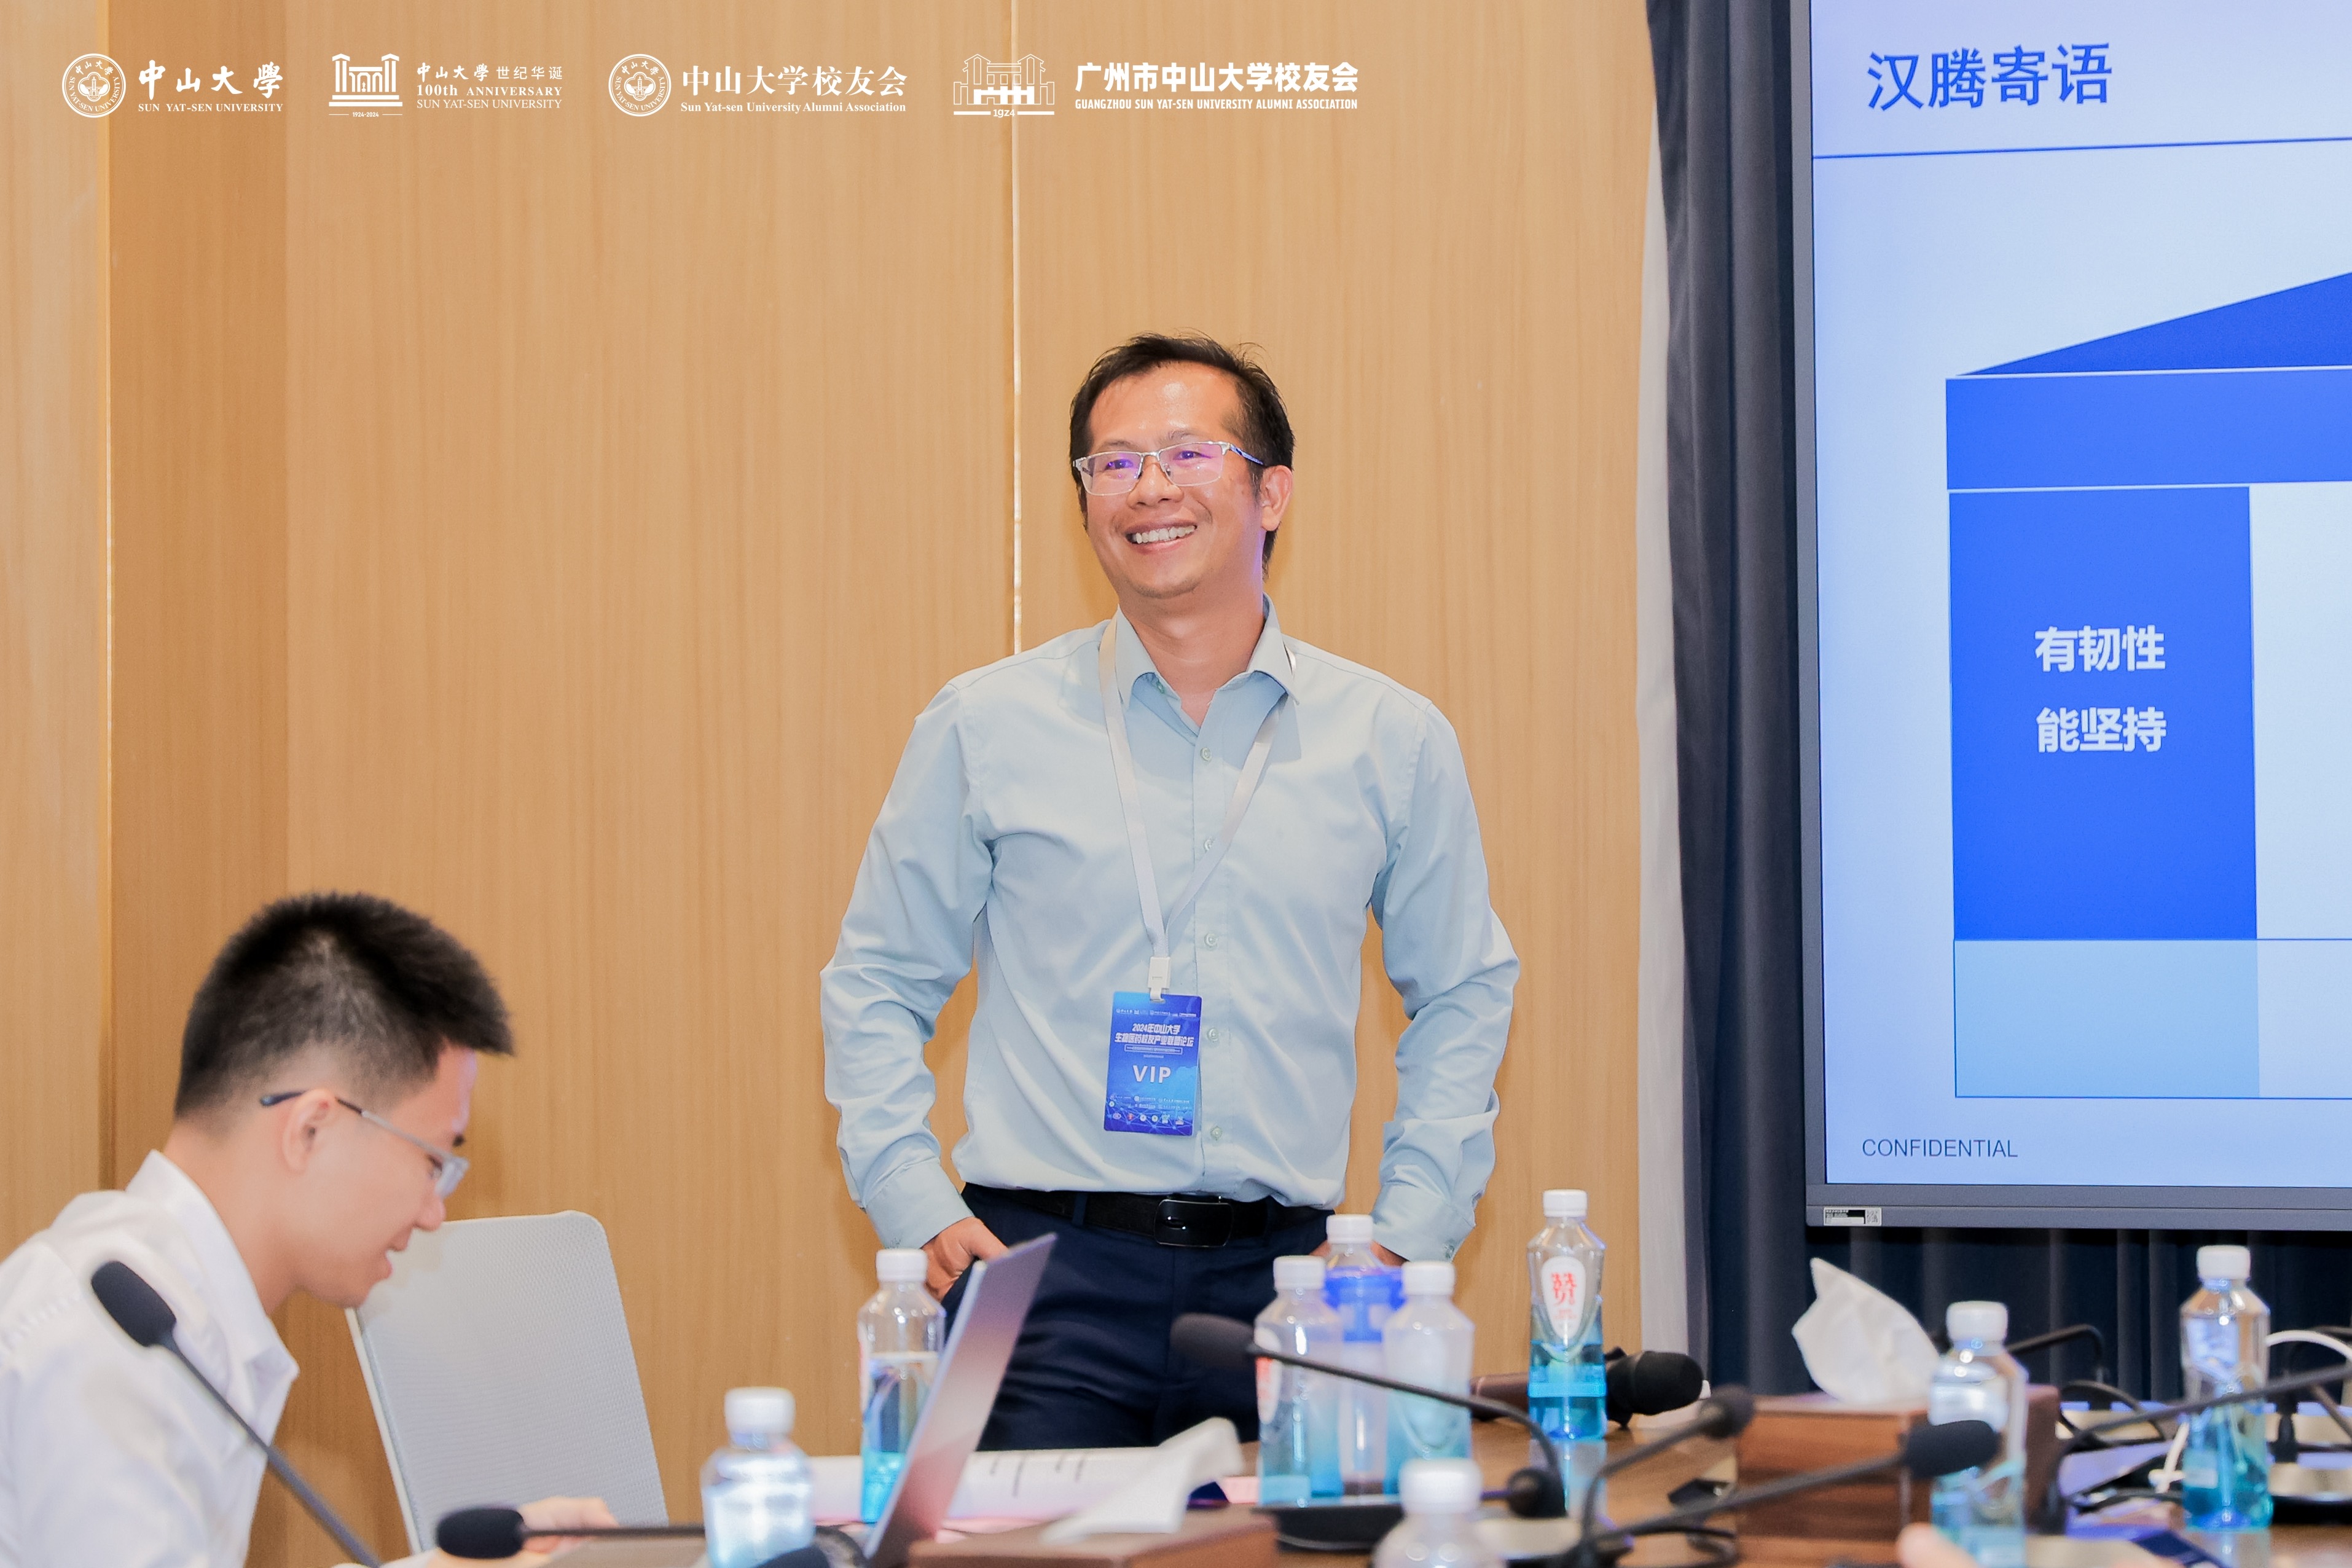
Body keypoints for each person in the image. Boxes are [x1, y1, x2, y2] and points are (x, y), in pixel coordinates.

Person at [823, 334, 1518, 1447]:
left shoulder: (1389, 739)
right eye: (1113, 463)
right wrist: (913, 1198)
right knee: (1000, 1540)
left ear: (1271, 492)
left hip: (1292, 1285)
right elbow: (875, 980)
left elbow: (1464, 991)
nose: (1148, 487)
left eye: (1188, 453)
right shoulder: (985, 725)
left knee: (1289, 1535)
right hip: (1034, 1276)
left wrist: (1405, 1235)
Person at [0, 892, 614, 1567]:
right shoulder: (107, 1340)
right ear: (311, 1128)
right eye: (432, 1162)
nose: (433, 1213)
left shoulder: (180, 1309)